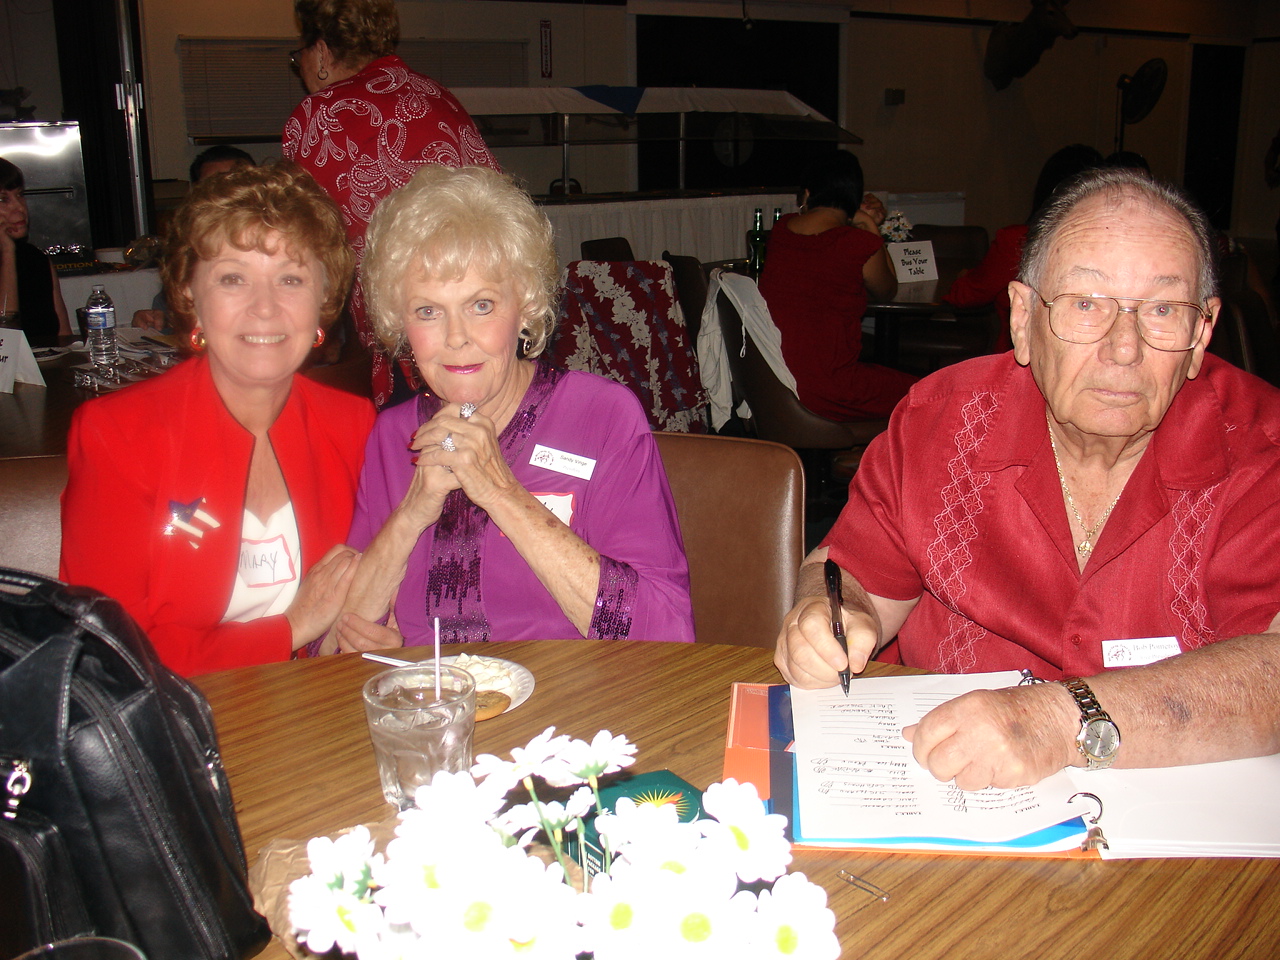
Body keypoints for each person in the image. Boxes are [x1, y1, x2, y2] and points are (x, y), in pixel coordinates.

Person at [775, 167, 1280, 791]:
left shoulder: (1260, 450)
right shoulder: (941, 421)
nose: (1124, 348)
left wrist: (1059, 722)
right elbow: (848, 571)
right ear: (1022, 318)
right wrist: (826, 616)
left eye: (1162, 310)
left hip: (1180, 804)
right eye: (1085, 305)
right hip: (943, 791)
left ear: (1201, 332)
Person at [323, 164, 695, 652]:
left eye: (481, 305)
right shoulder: (393, 437)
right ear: (401, 324)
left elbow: (666, 632)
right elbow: (332, 648)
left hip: (575, 698)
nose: (456, 338)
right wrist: (412, 513)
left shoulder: (601, 417)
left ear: (526, 306)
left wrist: (500, 491)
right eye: (428, 311)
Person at [60, 162, 376, 677]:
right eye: (233, 278)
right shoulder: (119, 434)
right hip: (179, 714)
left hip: (316, 704)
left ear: (324, 298)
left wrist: (377, 628)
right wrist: (291, 628)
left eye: (291, 279)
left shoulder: (353, 424)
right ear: (190, 293)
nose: (264, 308)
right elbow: (106, 654)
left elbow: (374, 591)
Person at [283, 0, 498, 409]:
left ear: (322, 52)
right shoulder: (438, 96)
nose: (301, 67)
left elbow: (304, 245)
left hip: (406, 332)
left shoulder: (318, 116)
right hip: (485, 314)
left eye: (300, 57)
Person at [757, 151, 917, 421]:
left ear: (807, 194)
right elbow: (887, 289)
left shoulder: (781, 231)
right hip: (830, 389)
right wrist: (869, 225)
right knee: (932, 393)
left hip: (774, 384)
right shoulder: (856, 243)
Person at [943, 144, 1102, 348]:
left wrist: (962, 278)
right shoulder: (1116, 251)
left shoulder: (1018, 242)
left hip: (1021, 357)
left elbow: (967, 295)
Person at [132, 146, 257, 331]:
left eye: (233, 183)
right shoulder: (190, 246)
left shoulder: (282, 242)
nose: (223, 193)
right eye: (211, 186)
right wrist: (159, 320)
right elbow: (175, 310)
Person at [0, 157, 72, 341]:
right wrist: (7, 252)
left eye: (19, 195)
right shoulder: (12, 254)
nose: (19, 207)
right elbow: (5, 340)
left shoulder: (35, 258)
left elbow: (64, 336)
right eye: (3, 199)